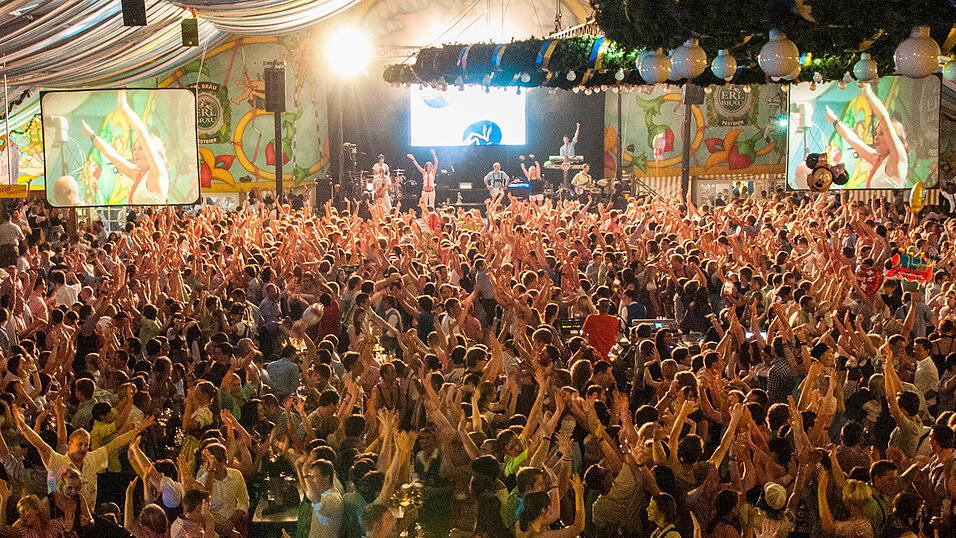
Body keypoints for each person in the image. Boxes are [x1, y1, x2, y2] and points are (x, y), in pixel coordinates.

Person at [82, 91, 169, 205]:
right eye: (134, 149)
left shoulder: (158, 171)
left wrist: (124, 108)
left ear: (154, 152)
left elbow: (141, 133)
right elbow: (112, 156)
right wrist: (91, 136)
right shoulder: (138, 174)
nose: (135, 152)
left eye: (141, 149)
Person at [825, 84, 908, 189]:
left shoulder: (898, 158)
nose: (876, 137)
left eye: (882, 133)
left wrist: (868, 93)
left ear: (894, 137)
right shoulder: (878, 160)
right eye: (876, 133)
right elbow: (854, 140)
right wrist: (835, 121)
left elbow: (884, 119)